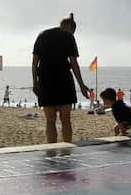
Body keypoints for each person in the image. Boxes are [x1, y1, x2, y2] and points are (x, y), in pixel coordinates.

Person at [31, 12, 91, 143]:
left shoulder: (42, 35)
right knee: (65, 120)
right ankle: (67, 151)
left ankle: (51, 152)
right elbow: (74, 64)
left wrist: (35, 83)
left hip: (45, 81)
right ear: (71, 29)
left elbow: (34, 62)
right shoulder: (69, 37)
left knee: (50, 121)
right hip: (63, 80)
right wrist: (81, 85)